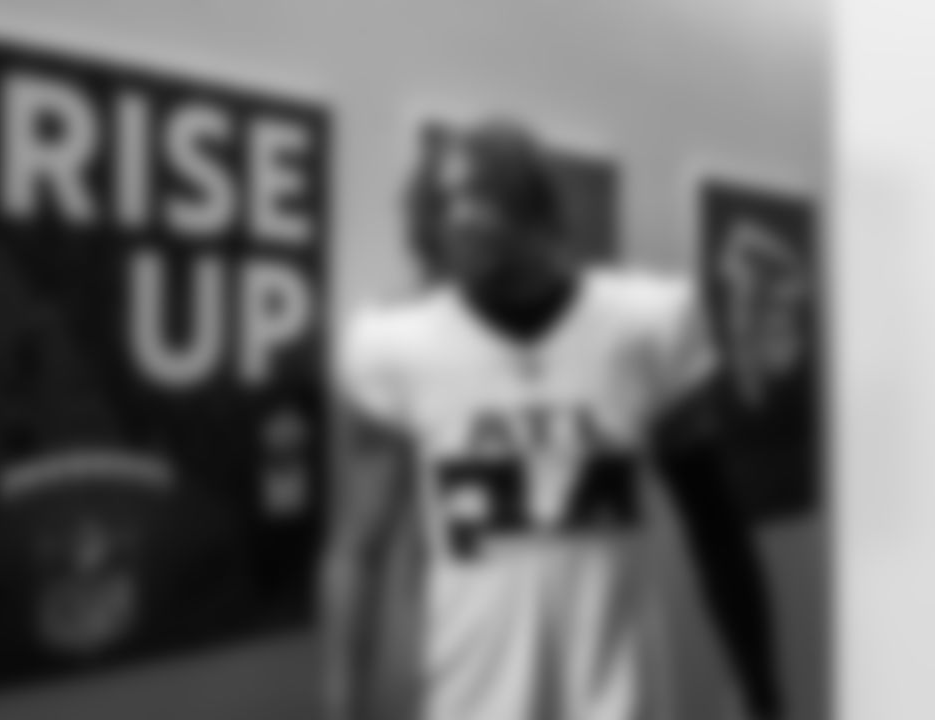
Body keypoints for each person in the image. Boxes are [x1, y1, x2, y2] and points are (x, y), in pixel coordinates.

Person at [322, 119, 782, 720]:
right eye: (444, 201)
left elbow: (716, 527)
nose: (462, 217)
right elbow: (359, 549)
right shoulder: (395, 347)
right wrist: (340, 706)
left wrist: (760, 689)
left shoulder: (646, 324)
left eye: (481, 193)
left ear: (538, 207)